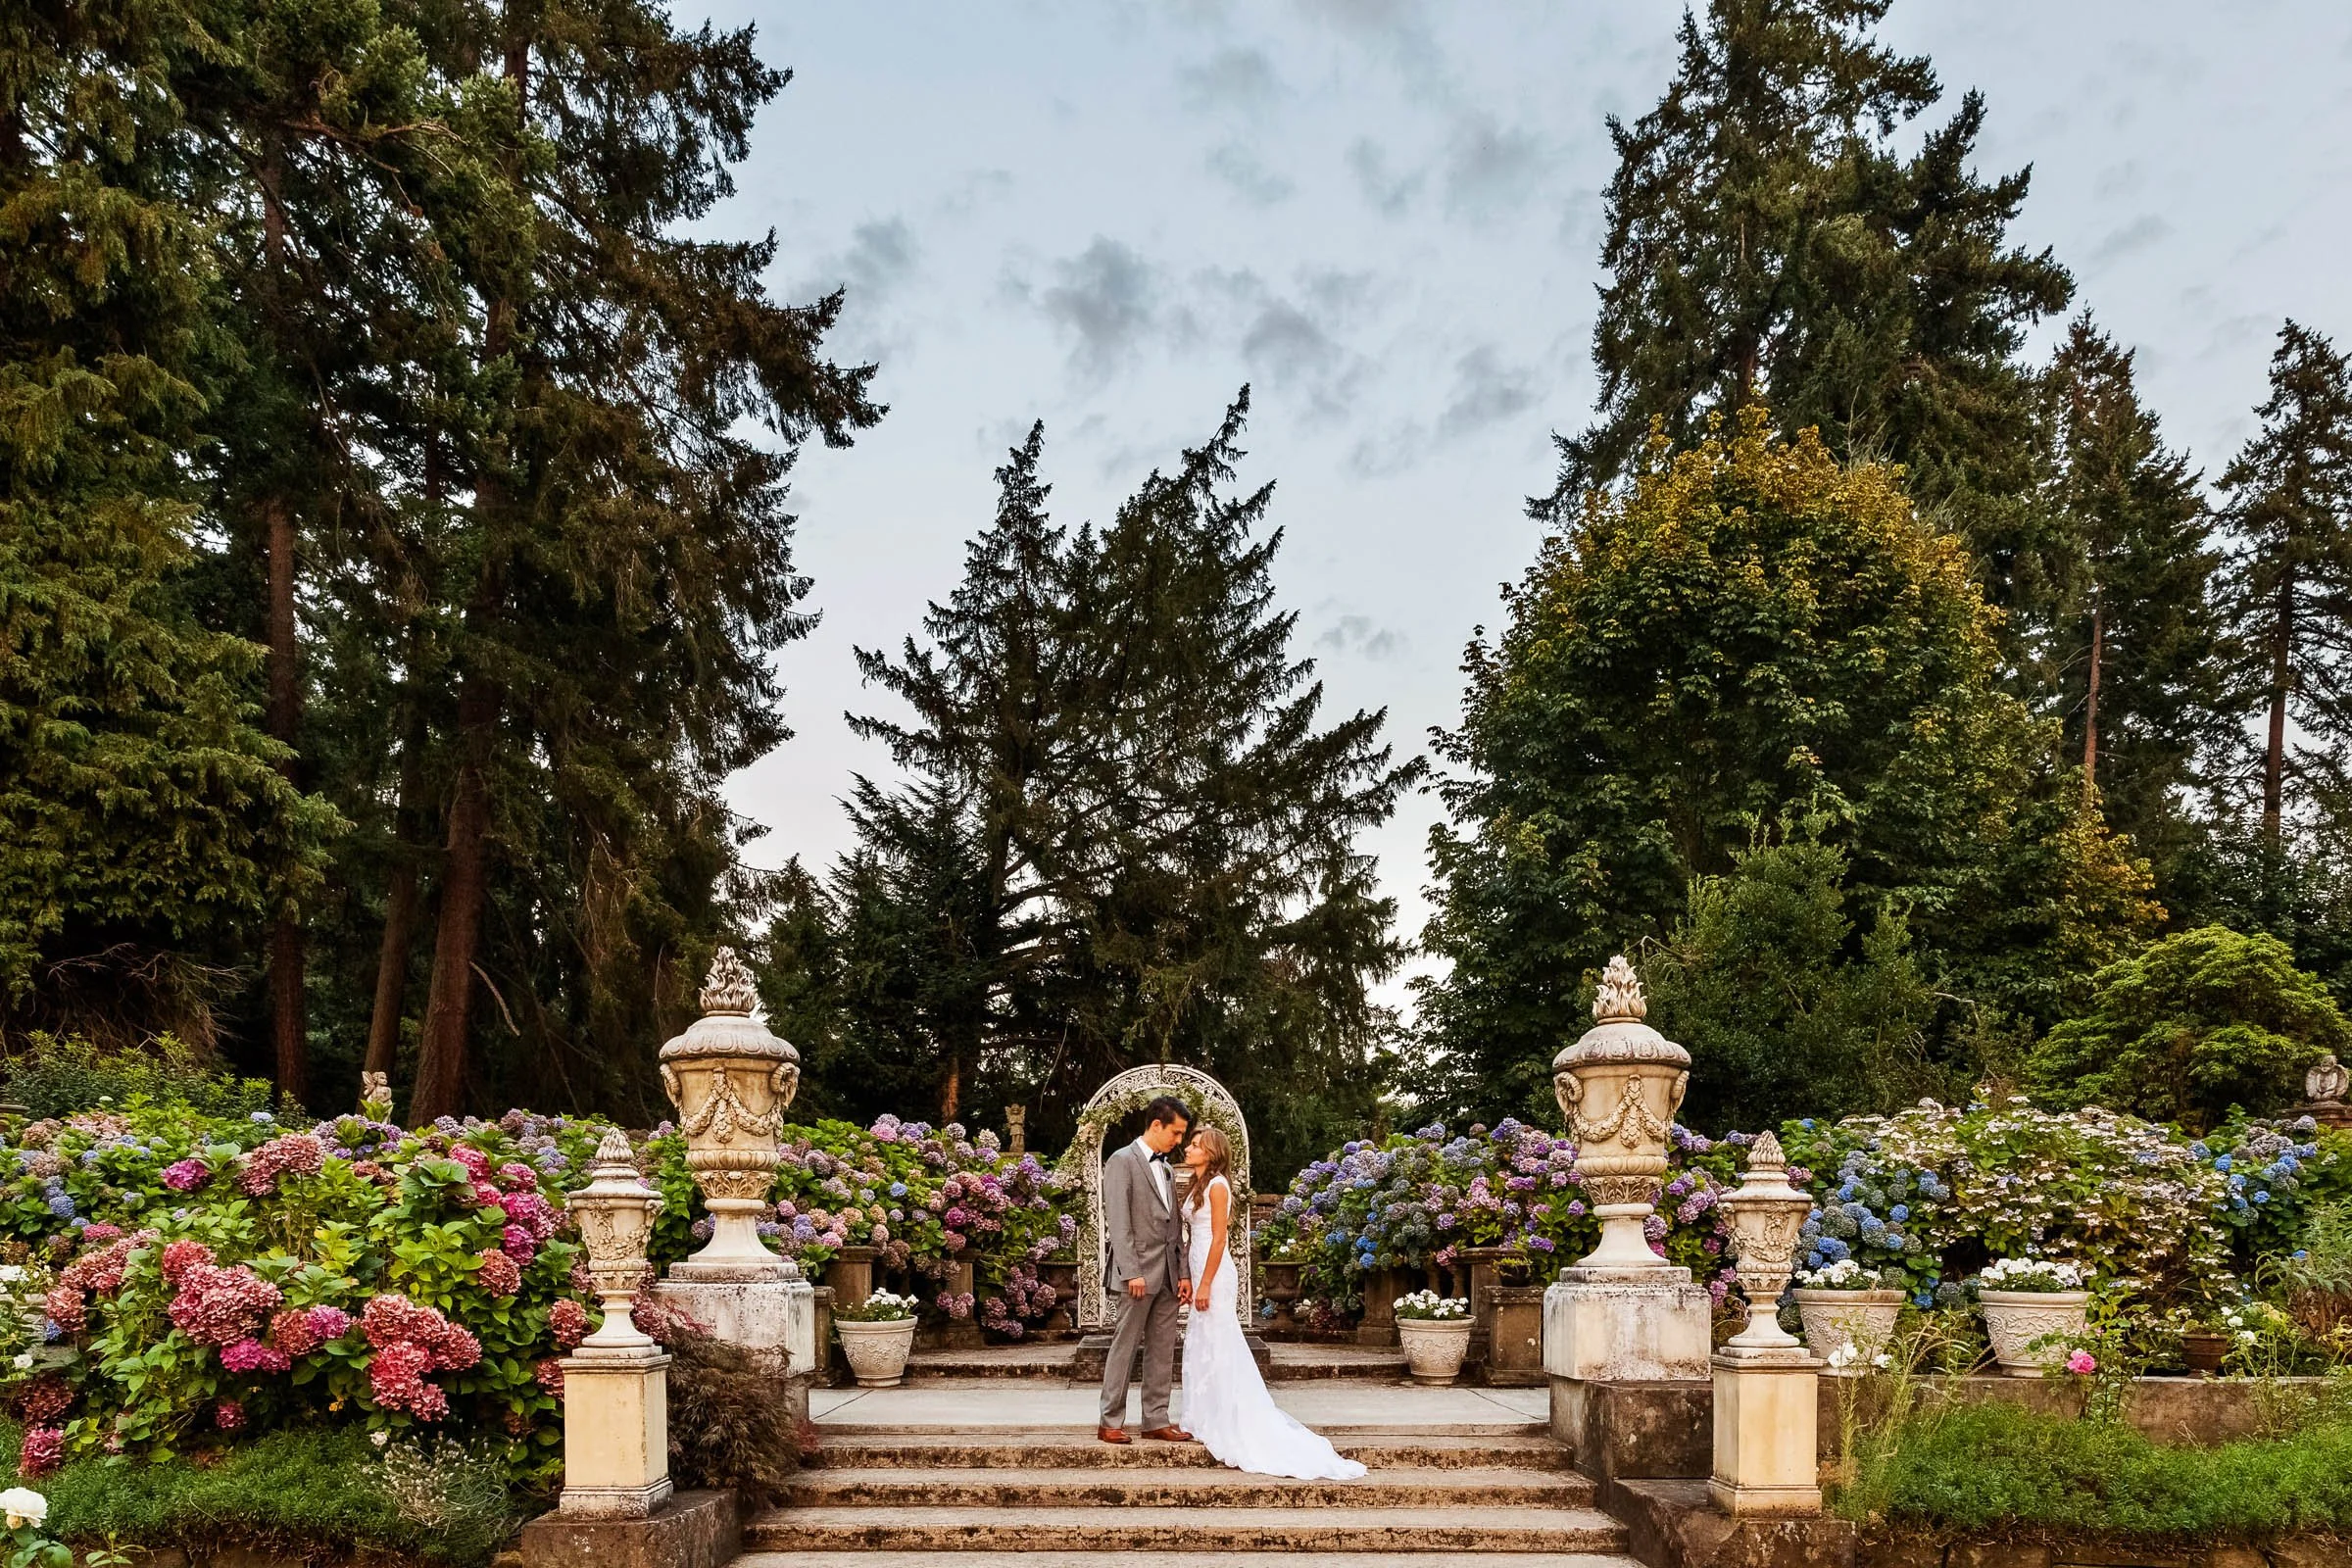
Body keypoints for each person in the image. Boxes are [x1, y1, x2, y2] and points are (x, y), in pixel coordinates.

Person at [1178, 1126, 1366, 1479]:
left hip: (1215, 1271)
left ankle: (1230, 1416)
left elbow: (1220, 1240)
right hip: (1198, 1263)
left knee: (1220, 1341)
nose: (1188, 1148)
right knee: (1203, 1341)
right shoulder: (1197, 1184)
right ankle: (1204, 1413)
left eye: (1195, 1145)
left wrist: (1204, 1283)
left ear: (1213, 1153)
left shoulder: (1218, 1186)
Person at [1096, 1096, 1194, 1445]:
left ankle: (1156, 1419)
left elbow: (1175, 1227)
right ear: (1156, 1125)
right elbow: (1118, 1223)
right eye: (1176, 1133)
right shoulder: (1121, 1161)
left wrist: (1183, 1273)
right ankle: (1110, 1420)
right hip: (1136, 1276)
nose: (1179, 1141)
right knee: (1124, 1346)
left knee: (1163, 1348)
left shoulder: (1166, 1168)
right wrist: (1130, 1272)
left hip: (1168, 1275)